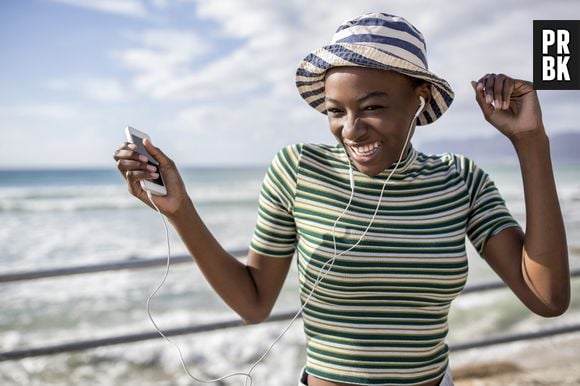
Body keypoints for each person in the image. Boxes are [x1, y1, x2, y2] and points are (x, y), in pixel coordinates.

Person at [113, 12, 570, 386]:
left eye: (372, 107)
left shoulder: (461, 180)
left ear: (419, 99)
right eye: (336, 111)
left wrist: (531, 142)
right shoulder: (297, 170)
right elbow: (253, 304)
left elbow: (547, 298)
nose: (351, 130)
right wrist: (181, 211)